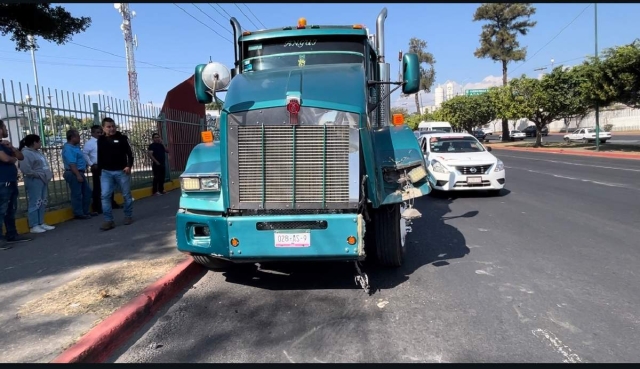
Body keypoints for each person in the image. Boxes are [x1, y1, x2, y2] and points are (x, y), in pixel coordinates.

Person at [98, 117, 134, 230]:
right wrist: (100, 170)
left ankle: (128, 216)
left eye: (113, 126)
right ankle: (109, 221)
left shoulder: (122, 138)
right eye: (108, 127)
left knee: (126, 195)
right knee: (105, 196)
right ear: (103, 128)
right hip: (106, 172)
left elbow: (130, 154)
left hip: (121, 171)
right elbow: (100, 156)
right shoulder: (101, 140)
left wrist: (128, 166)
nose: (112, 128)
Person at [0, 119, 32, 250]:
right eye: (5, 127)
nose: (7, 130)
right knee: (1, 211)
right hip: (2, 181)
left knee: (10, 209)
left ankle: (12, 234)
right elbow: (6, 159)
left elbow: (21, 156)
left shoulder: (5, 145)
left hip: (10, 180)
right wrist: (12, 158)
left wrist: (12, 148)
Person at [18, 134, 55, 233]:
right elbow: (25, 168)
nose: (40, 143)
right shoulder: (26, 153)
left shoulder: (37, 153)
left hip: (42, 179)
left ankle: (41, 222)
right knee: (35, 201)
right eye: (39, 141)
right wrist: (37, 174)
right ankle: (34, 225)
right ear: (34, 142)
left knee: (42, 201)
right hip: (34, 179)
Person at [82, 125, 119, 213]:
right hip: (97, 166)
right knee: (98, 186)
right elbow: (84, 154)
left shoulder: (104, 141)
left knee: (110, 185)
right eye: (97, 132)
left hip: (107, 165)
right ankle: (97, 206)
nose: (99, 134)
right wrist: (91, 164)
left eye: (100, 132)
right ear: (92, 133)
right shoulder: (89, 143)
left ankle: (111, 203)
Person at [62, 129, 96, 220]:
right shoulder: (68, 149)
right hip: (74, 172)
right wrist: (77, 175)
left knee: (87, 192)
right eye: (78, 137)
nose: (79, 139)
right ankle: (78, 213)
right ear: (72, 138)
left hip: (79, 172)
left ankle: (85, 211)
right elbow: (72, 164)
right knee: (77, 194)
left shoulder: (75, 147)